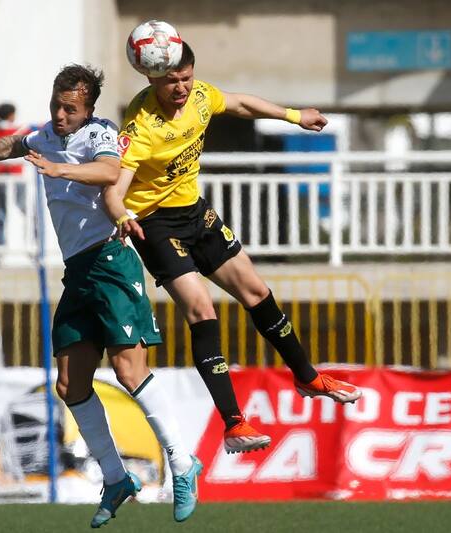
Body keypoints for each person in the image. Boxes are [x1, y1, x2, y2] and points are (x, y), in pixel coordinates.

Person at [0, 65, 201, 525]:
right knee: (69, 384)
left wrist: (60, 168)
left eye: (71, 108)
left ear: (89, 109)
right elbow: (13, 144)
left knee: (130, 372)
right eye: (56, 105)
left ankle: (183, 462)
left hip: (111, 263)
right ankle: (115, 477)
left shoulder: (102, 135)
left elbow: (111, 171)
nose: (61, 115)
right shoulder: (45, 135)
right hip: (79, 272)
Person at [104, 41, 362, 454]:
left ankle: (307, 375)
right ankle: (234, 422)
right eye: (171, 81)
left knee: (257, 292)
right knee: (201, 309)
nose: (182, 87)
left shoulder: (201, 95)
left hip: (196, 214)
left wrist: (294, 117)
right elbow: (113, 190)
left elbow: (240, 104)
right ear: (152, 78)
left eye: (186, 78)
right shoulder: (140, 126)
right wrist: (121, 216)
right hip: (153, 223)